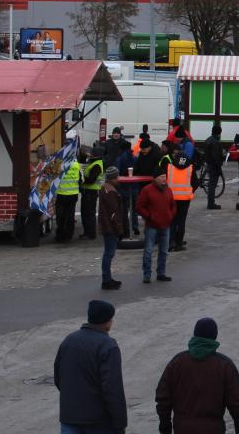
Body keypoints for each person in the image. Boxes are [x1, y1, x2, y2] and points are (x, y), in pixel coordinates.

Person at [155, 317, 239, 434]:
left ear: (195, 335)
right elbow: (238, 407)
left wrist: (165, 430)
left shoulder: (177, 363)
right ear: (214, 336)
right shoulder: (225, 366)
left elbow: (163, 400)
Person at [54, 300, 127, 434]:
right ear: (107, 321)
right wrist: (120, 423)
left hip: (69, 416)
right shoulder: (108, 346)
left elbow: (58, 377)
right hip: (99, 421)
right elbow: (112, 388)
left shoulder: (69, 340)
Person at [137, 171, 176, 283]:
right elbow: (139, 206)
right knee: (148, 251)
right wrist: (149, 216)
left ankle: (161, 273)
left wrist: (170, 216)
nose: (164, 179)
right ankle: (147, 274)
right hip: (152, 225)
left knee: (164, 250)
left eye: (165, 176)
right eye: (162, 177)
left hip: (166, 224)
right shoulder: (147, 190)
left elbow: (173, 205)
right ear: (155, 178)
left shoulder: (168, 190)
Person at [98, 167, 126, 290]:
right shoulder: (111, 192)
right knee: (109, 253)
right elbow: (114, 213)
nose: (118, 179)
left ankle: (107, 278)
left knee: (108, 253)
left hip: (106, 225)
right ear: (112, 178)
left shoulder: (106, 188)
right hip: (110, 227)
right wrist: (120, 230)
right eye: (116, 177)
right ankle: (106, 280)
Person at [166, 151, 194, 252]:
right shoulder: (190, 167)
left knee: (172, 221)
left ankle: (170, 242)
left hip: (171, 198)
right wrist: (190, 190)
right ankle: (178, 243)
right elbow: (195, 182)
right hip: (185, 198)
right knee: (181, 221)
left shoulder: (169, 167)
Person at [79, 145, 104, 240]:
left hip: (91, 192)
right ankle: (87, 232)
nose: (90, 154)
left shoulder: (97, 165)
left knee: (89, 213)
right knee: (85, 213)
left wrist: (82, 179)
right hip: (88, 191)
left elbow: (91, 180)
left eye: (92, 153)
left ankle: (90, 233)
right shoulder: (93, 162)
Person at [55, 154, 80, 243]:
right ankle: (69, 235)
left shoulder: (60, 163)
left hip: (62, 194)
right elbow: (80, 178)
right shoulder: (76, 163)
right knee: (70, 216)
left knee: (60, 216)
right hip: (73, 194)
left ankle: (60, 235)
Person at [201, 124, 225, 210]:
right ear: (219, 133)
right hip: (214, 166)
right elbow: (216, 157)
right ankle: (211, 203)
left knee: (211, 184)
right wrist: (219, 165)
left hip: (209, 164)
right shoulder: (216, 142)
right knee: (212, 185)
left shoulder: (208, 140)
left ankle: (211, 203)